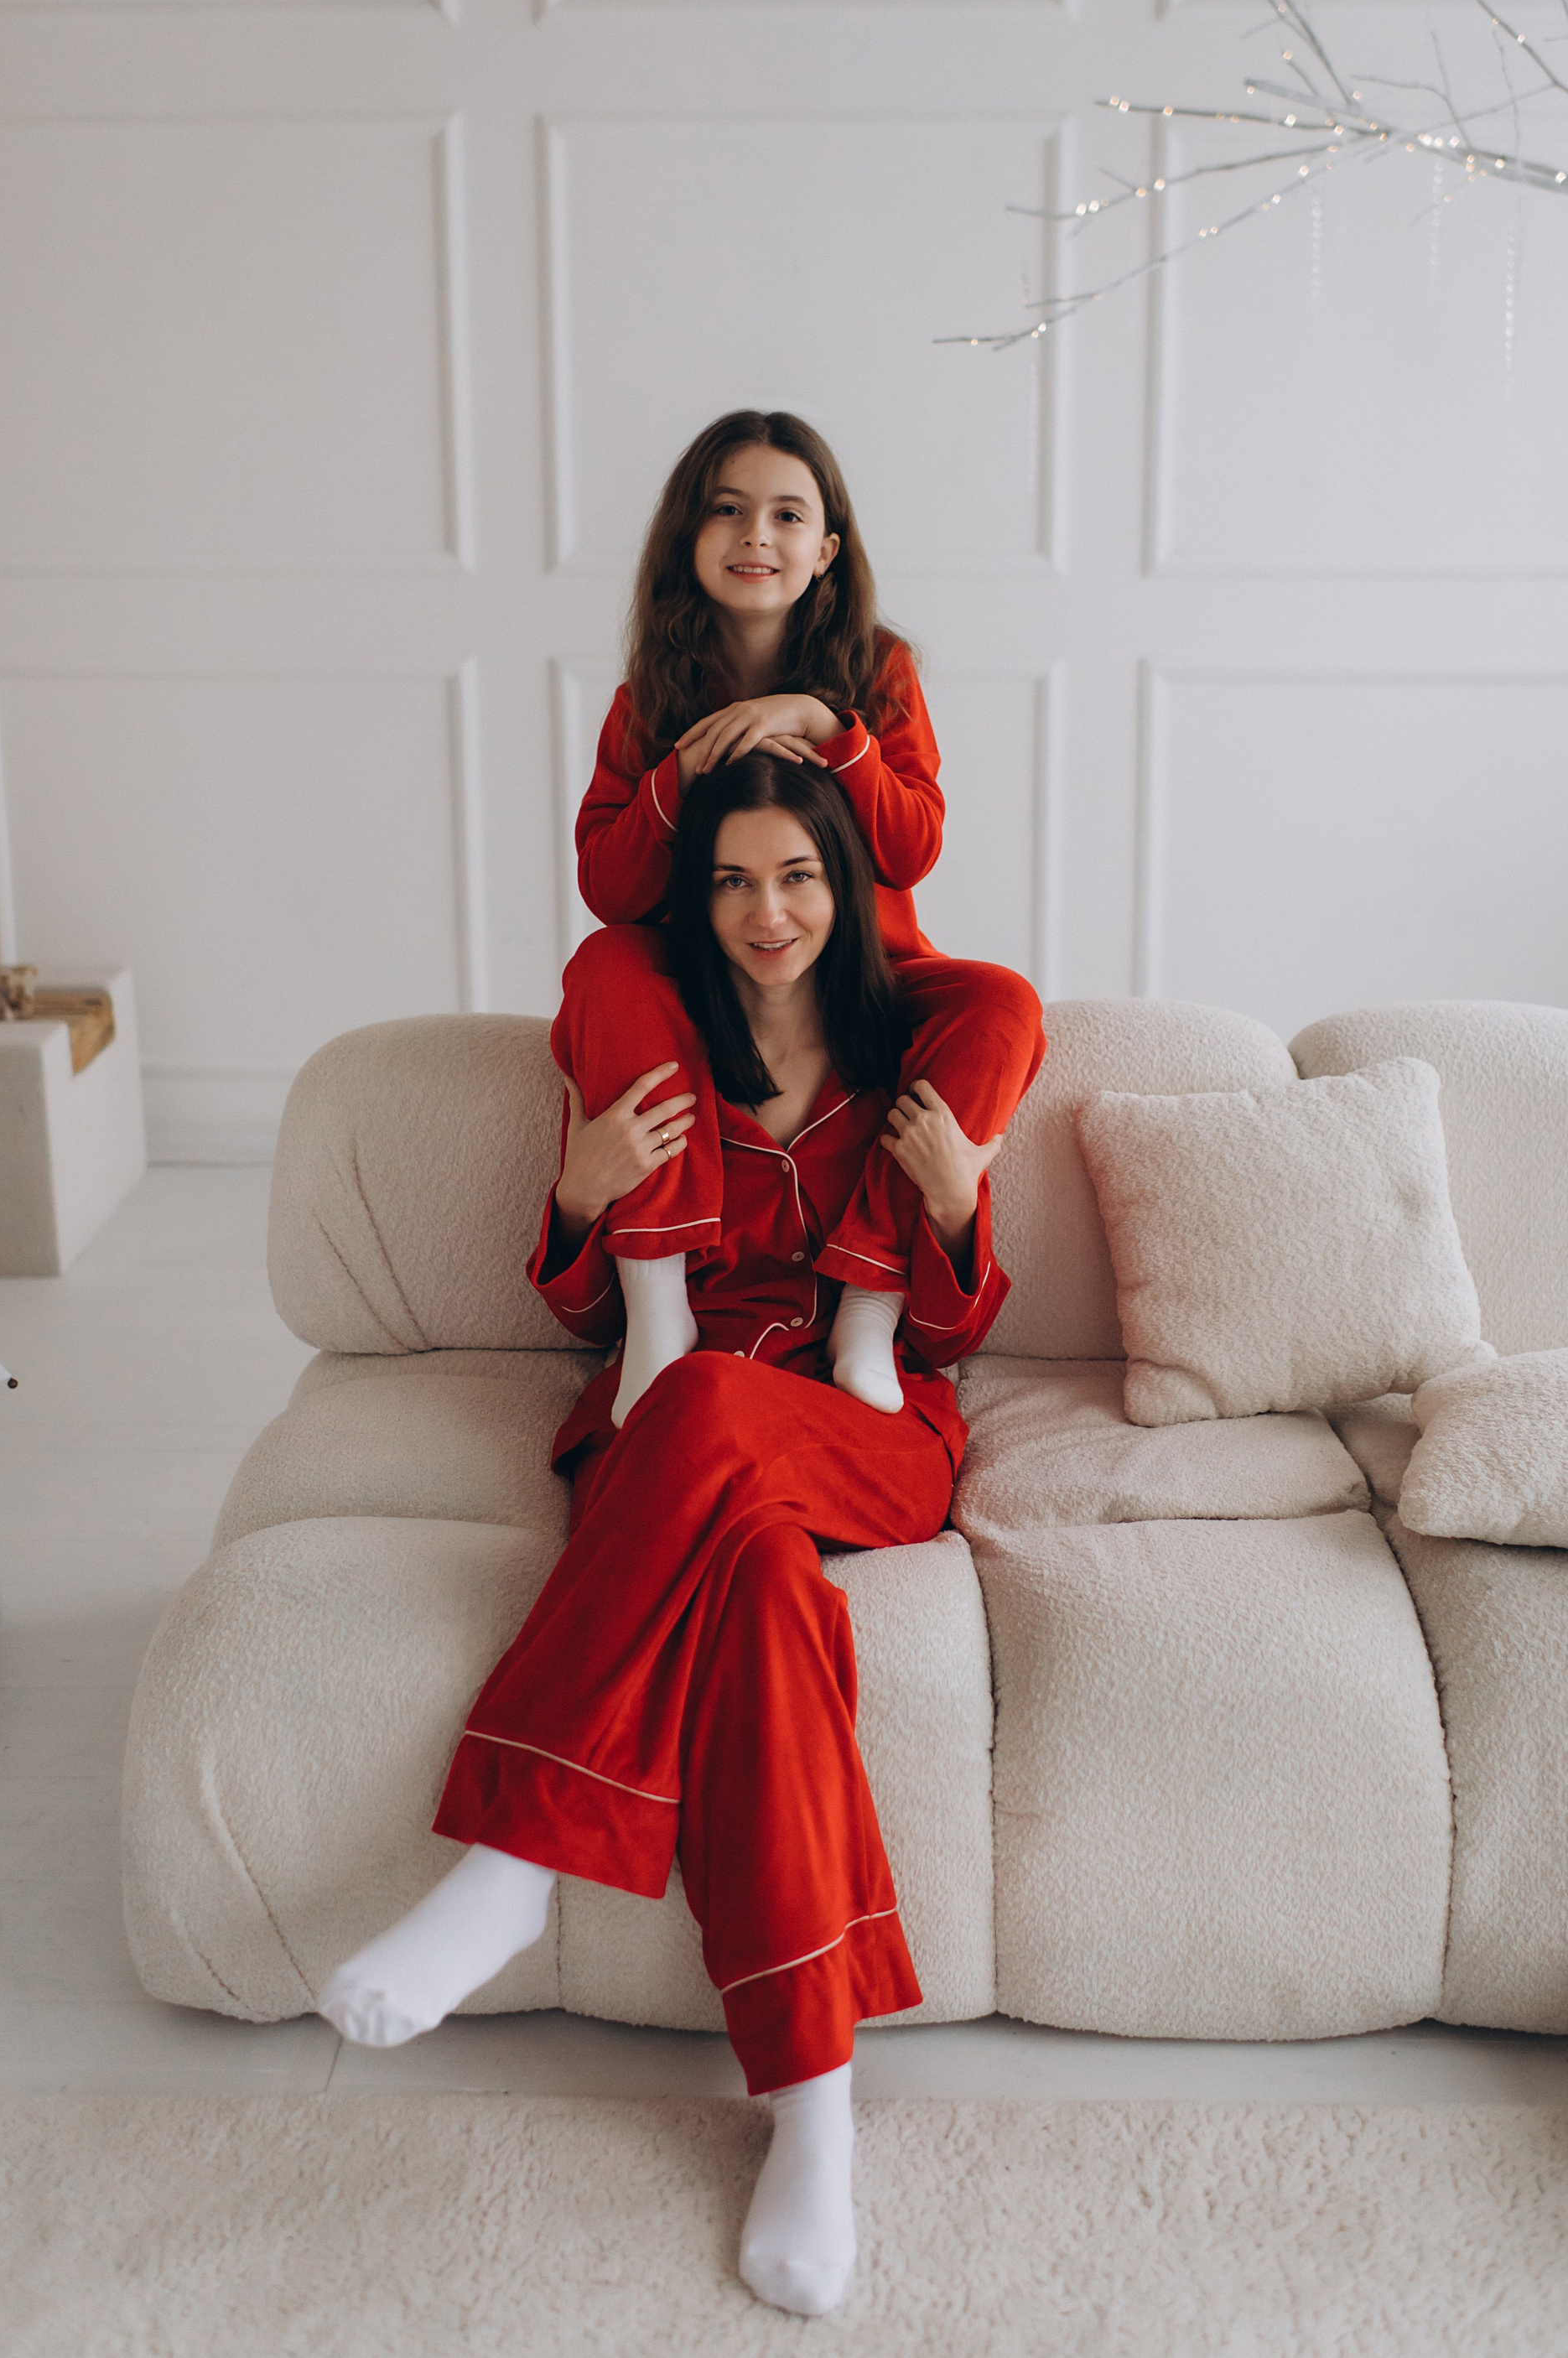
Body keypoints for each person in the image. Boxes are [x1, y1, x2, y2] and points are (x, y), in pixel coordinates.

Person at [319, 753, 1018, 2317]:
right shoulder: (661, 1057)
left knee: (698, 1392)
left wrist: (956, 1209)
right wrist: (578, 1197)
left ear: (848, 892)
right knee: (763, 1603)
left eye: (799, 877)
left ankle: (515, 1856)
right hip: (681, 1459)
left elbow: (955, 1329)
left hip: (860, 1438)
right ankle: (816, 2114)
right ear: (699, 902)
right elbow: (587, 1308)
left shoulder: (907, 1062)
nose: (769, 911)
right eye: (733, 880)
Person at [553, 407, 1045, 1431]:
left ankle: (869, 1300)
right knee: (605, 962)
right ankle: (658, 1307)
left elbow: (911, 847)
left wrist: (828, 726)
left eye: (787, 515)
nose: (756, 536)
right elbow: (609, 885)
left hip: (865, 968)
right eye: (727, 511)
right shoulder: (649, 697)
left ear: (825, 549)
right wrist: (683, 768)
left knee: (1003, 1002)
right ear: (688, 538)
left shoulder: (880, 670)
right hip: (712, 968)